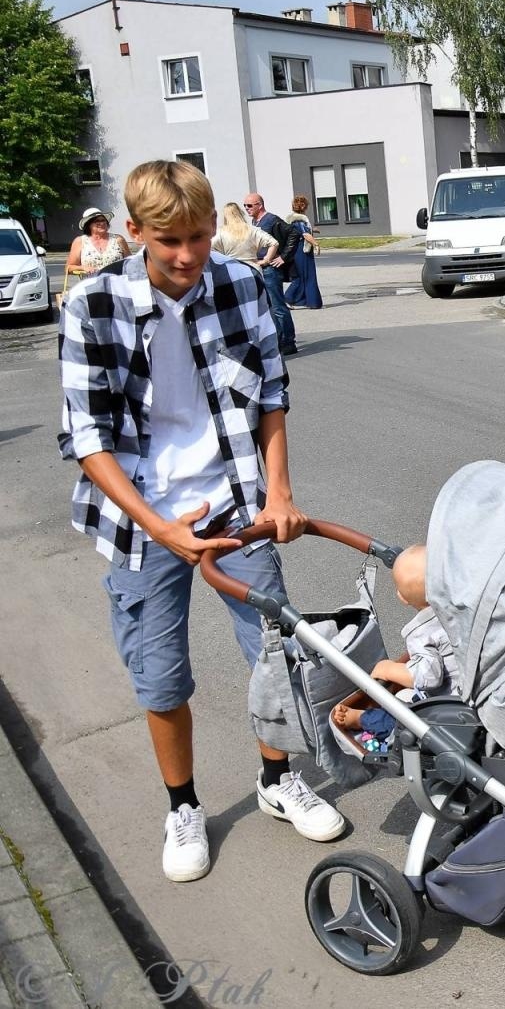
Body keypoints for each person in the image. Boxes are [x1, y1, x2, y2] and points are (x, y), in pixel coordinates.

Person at [58, 159, 347, 885]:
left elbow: (271, 396)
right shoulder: (92, 306)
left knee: (272, 657)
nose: (187, 255)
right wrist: (160, 529)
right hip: (143, 519)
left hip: (237, 504)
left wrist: (279, 495)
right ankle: (182, 806)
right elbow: (87, 440)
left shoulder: (243, 283)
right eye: (168, 240)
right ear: (133, 232)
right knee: (161, 677)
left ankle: (276, 780)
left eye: (197, 236)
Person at [331, 545, 458, 738]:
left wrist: (388, 669)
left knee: (402, 720)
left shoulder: (422, 633)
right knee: (404, 697)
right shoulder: (463, 610)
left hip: (452, 713)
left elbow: (429, 676)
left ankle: (362, 719)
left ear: (402, 597)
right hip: (477, 694)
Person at [243, 193, 300, 355]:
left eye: (250, 205)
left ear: (259, 205)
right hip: (261, 267)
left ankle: (288, 341)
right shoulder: (256, 221)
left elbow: (294, 234)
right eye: (245, 206)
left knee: (278, 306)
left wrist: (283, 257)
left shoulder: (272, 220)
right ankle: (279, 339)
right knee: (269, 307)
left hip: (271, 269)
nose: (247, 209)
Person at [65, 207, 132, 280]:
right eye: (97, 221)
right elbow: (69, 268)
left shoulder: (118, 239)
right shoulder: (80, 241)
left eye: (103, 220)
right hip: (90, 287)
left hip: (117, 285)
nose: (102, 223)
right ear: (88, 225)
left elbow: (130, 262)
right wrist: (84, 268)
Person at [283, 195, 324, 310]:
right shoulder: (300, 219)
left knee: (303, 276)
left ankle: (306, 301)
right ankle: (289, 298)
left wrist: (313, 229)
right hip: (302, 251)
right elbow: (305, 234)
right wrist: (316, 244)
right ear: (304, 206)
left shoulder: (292, 219)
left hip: (297, 250)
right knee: (306, 276)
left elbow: (301, 231)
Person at [211, 201, 277, 268]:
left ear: (225, 216)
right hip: (253, 269)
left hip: (233, 270)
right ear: (240, 213)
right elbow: (274, 243)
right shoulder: (253, 230)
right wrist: (266, 261)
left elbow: (210, 248)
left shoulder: (220, 232)